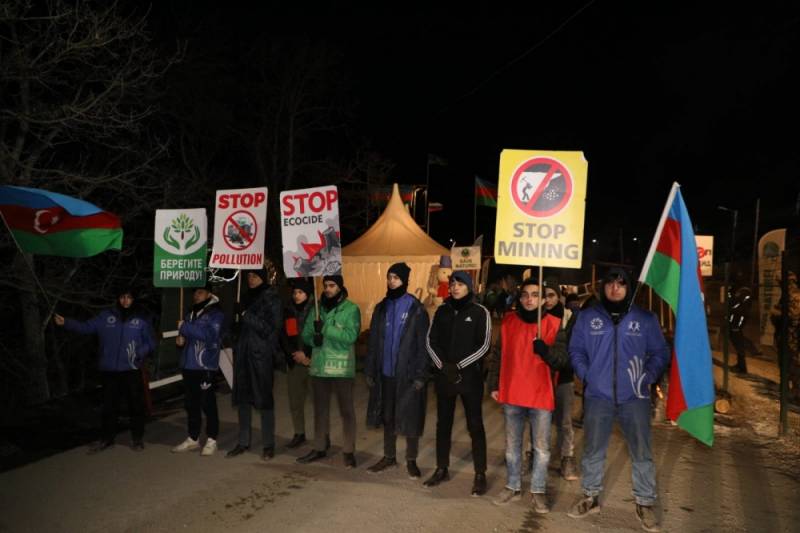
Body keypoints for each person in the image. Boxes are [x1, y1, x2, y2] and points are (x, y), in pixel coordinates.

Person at [567, 267, 670, 532]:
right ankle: (590, 496)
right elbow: (576, 349)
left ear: (628, 288)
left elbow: (660, 352)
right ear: (603, 287)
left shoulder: (645, 318)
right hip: (598, 396)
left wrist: (647, 377)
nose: (615, 288)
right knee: (593, 449)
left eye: (621, 284)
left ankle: (645, 502)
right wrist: (586, 374)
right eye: (611, 283)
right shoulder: (588, 317)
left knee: (641, 451)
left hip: (634, 397)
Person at [488, 277, 564, 513]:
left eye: (535, 295)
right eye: (525, 295)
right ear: (519, 298)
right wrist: (493, 384)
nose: (529, 299)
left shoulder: (554, 323)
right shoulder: (509, 321)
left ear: (543, 300)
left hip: (540, 395)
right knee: (512, 446)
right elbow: (498, 354)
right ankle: (513, 486)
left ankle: (538, 490)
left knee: (541, 448)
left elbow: (562, 360)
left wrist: (546, 351)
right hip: (512, 392)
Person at [54, 287, 156, 453]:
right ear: (118, 299)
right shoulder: (105, 316)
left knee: (135, 406)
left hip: (131, 369)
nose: (125, 301)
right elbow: (86, 327)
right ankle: (107, 439)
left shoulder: (141, 319)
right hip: (109, 371)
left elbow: (150, 343)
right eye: (122, 297)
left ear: (133, 300)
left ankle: (137, 438)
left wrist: (140, 352)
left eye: (129, 297)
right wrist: (66, 322)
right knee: (109, 407)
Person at [424, 271, 491, 496]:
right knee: (443, 424)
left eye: (460, 283)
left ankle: (480, 473)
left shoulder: (480, 312)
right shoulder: (442, 310)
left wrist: (459, 366)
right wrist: (443, 367)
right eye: (452, 283)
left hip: (469, 379)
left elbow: (484, 346)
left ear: (469, 287)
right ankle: (441, 468)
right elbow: (430, 341)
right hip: (445, 378)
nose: (454, 287)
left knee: (475, 425)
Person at [365, 263, 430, 479]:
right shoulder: (381, 308)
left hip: (408, 375)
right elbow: (373, 341)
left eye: (396, 278)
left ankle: (411, 459)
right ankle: (389, 456)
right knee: (388, 416)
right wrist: (370, 370)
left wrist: (421, 375)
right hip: (386, 374)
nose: (392, 281)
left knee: (410, 417)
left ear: (405, 280)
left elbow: (423, 345)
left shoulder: (416, 309)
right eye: (389, 277)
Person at [297, 274, 361, 468]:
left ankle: (348, 451)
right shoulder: (317, 309)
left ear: (340, 287)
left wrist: (325, 329)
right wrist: (312, 339)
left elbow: (350, 336)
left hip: (341, 368)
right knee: (320, 411)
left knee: (347, 411)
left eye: (332, 285)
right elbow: (306, 334)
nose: (327, 289)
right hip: (319, 367)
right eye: (325, 285)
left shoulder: (351, 309)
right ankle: (319, 447)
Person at [226, 266, 282, 460]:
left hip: (261, 356)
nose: (250, 279)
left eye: (255, 276)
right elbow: (240, 329)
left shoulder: (271, 298)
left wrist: (245, 315)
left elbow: (270, 328)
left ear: (263, 278)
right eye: (248, 275)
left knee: (264, 400)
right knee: (243, 399)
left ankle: (268, 445)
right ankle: (243, 441)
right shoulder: (244, 298)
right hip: (243, 355)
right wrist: (234, 329)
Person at [172, 283, 225, 456]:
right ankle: (193, 438)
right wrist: (181, 340)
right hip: (189, 365)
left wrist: (185, 327)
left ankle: (212, 439)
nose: (196, 295)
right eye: (195, 292)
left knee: (207, 403)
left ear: (209, 294)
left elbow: (211, 336)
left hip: (205, 365)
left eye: (200, 292)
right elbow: (189, 336)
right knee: (191, 404)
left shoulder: (216, 314)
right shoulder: (191, 313)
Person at [543, 277, 579, 481]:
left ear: (558, 296)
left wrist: (562, 363)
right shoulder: (537, 316)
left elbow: (573, 347)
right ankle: (533, 453)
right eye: (544, 296)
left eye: (551, 295)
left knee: (564, 421)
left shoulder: (569, 317)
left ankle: (567, 458)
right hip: (540, 376)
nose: (547, 300)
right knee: (538, 419)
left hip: (563, 376)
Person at [279, 277, 315, 449]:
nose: (296, 295)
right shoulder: (289, 310)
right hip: (295, 361)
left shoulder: (316, 310)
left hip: (312, 361)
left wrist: (307, 354)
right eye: (294, 292)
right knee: (295, 401)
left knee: (318, 401)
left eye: (300, 292)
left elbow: (318, 335)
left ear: (308, 294)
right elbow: (285, 335)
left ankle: (322, 435)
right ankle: (299, 433)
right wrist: (294, 354)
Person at [728, 285, 759, 373]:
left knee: (739, 347)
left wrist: (737, 327)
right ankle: (740, 365)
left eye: (739, 293)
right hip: (734, 325)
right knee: (738, 346)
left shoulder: (743, 302)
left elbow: (741, 315)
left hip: (736, 327)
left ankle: (742, 368)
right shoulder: (741, 301)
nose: (737, 294)